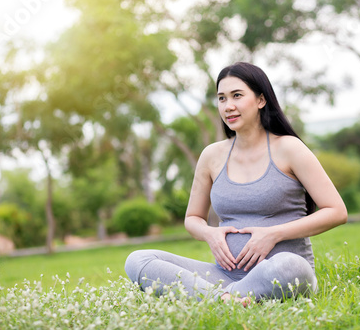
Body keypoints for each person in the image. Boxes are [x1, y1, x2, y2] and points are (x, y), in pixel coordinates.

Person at [125, 62, 347, 305]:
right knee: (138, 260)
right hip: (224, 276)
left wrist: (273, 234)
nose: (228, 106)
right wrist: (210, 234)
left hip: (280, 272)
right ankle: (227, 299)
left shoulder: (289, 148)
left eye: (237, 96)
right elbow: (192, 219)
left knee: (291, 266)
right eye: (221, 98)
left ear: (261, 100)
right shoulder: (212, 155)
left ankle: (213, 298)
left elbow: (336, 211)